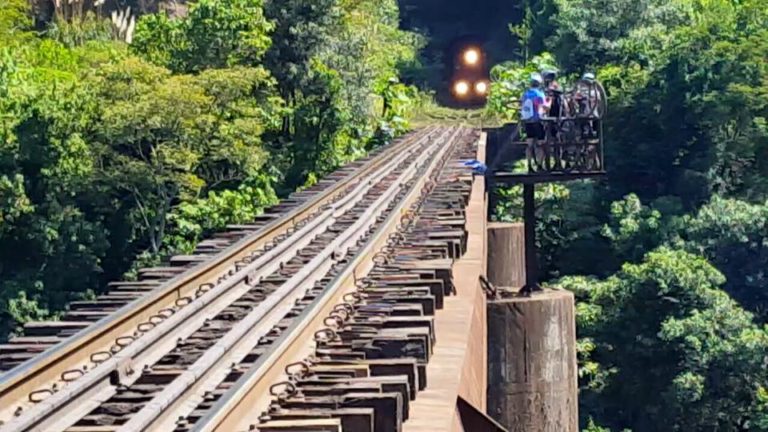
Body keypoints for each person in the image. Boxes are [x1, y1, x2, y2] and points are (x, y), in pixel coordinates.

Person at [521, 72, 548, 169]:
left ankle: (529, 165)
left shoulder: (526, 94)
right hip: (538, 121)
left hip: (528, 122)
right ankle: (540, 165)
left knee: (529, 144)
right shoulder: (540, 94)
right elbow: (544, 107)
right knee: (540, 144)